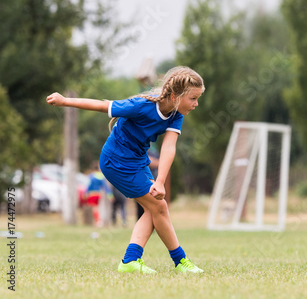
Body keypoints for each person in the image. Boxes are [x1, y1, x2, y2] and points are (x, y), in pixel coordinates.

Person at [46, 66, 205, 274]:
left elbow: (168, 147)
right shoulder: (141, 106)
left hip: (137, 161)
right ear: (175, 96)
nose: (196, 104)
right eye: (193, 98)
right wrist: (65, 101)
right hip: (115, 161)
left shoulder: (176, 114)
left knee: (154, 208)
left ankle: (131, 260)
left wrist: (160, 181)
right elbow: (103, 106)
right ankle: (181, 262)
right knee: (160, 207)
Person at [86, 161, 113, 227]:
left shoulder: (91, 176)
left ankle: (98, 221)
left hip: (92, 194)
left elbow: (89, 185)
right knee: (97, 207)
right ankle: (98, 221)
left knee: (94, 208)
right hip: (99, 194)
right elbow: (105, 187)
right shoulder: (101, 176)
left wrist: (86, 193)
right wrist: (110, 195)